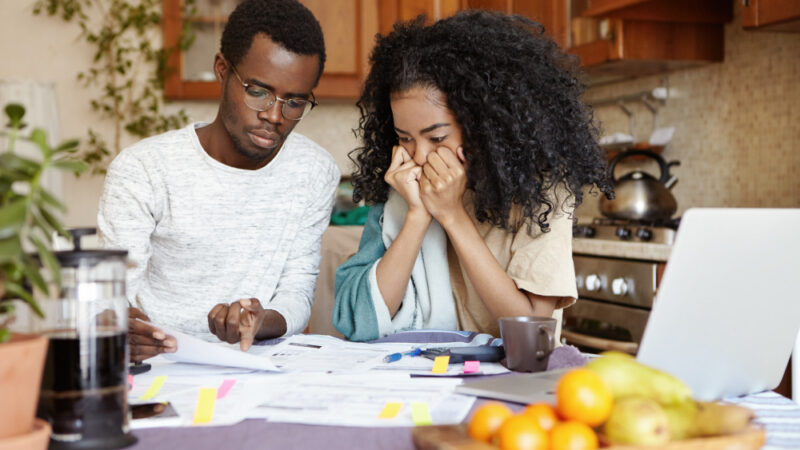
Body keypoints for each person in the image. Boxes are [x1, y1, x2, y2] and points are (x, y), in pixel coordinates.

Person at [332, 10, 613, 342]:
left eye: (437, 138)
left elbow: (533, 332)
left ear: (482, 126)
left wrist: (452, 215)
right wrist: (418, 215)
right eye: (404, 138)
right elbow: (358, 321)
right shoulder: (404, 189)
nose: (419, 156)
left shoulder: (544, 193)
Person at [98, 0, 340, 361]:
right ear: (222, 70)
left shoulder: (315, 171)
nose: (275, 116)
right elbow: (110, 298)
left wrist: (261, 320)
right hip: (161, 365)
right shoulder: (144, 169)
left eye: (295, 102)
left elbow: (297, 291)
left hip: (255, 366)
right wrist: (120, 328)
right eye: (258, 91)